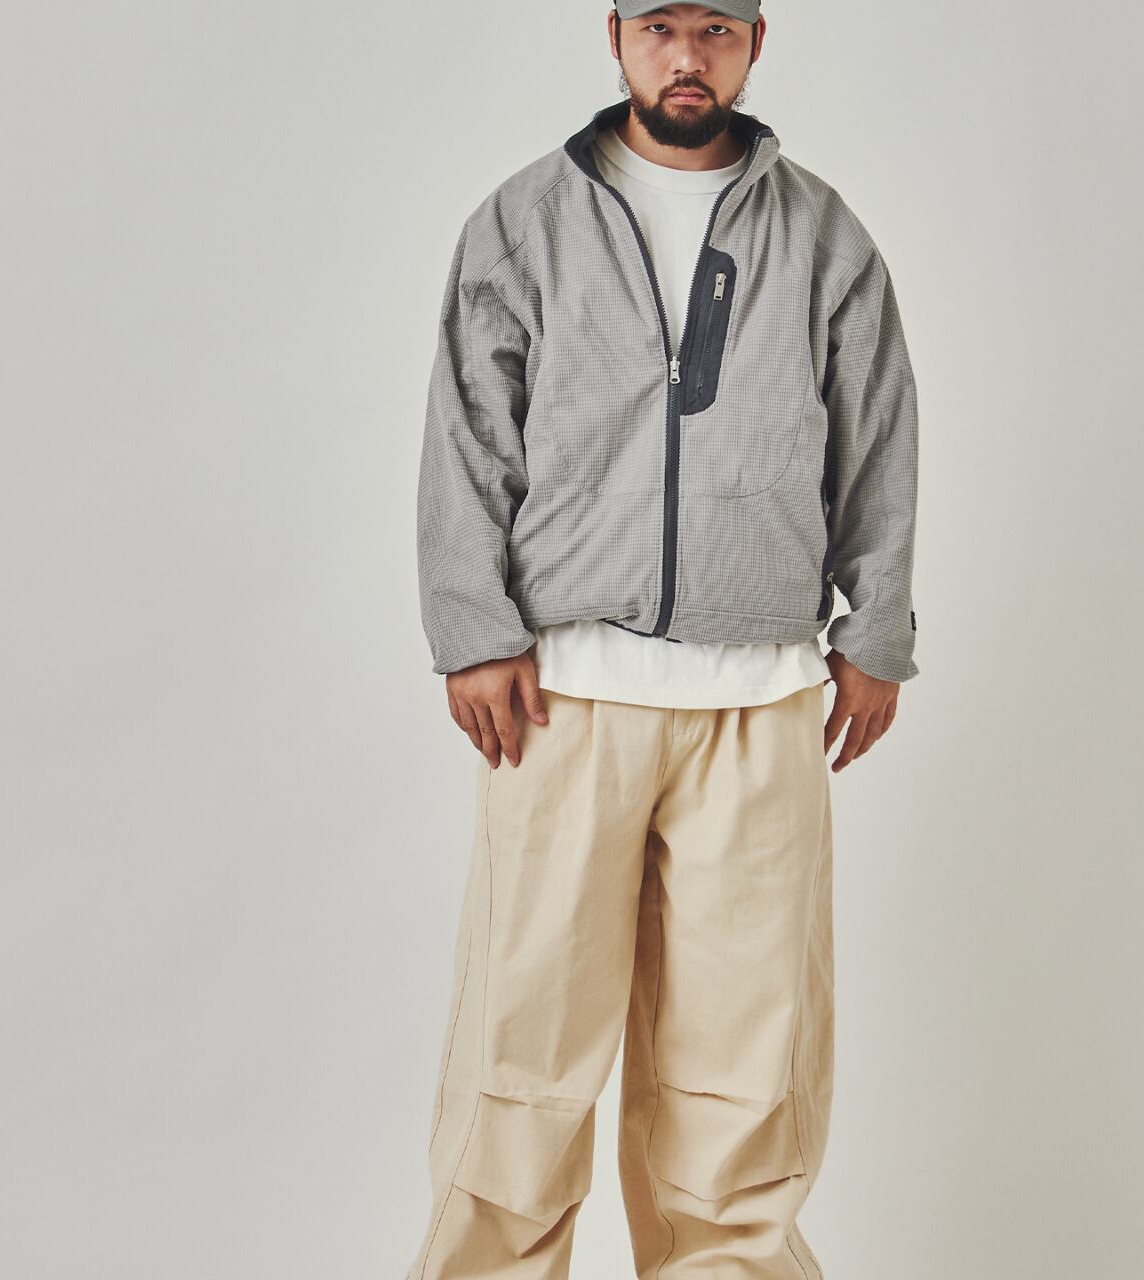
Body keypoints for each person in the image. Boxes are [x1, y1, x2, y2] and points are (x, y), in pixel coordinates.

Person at [407, 3, 920, 1277]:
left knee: (744, 1072)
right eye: (659, 28)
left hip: (758, 700)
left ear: (755, 41)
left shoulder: (822, 234)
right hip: (563, 698)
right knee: (523, 1057)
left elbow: (876, 434)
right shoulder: (523, 222)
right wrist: (471, 626)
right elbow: (468, 428)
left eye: (713, 29)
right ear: (615, 35)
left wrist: (876, 628)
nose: (685, 57)